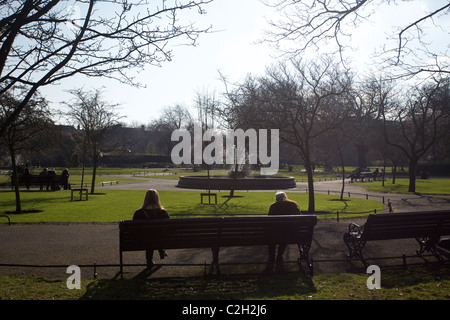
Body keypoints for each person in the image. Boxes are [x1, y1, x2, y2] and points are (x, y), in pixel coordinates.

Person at [133, 189, 170, 268]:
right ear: (157, 198)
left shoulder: (138, 213)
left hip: (142, 240)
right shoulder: (163, 213)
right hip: (161, 240)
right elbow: (169, 228)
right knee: (155, 235)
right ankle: (161, 250)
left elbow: (134, 230)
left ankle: (149, 260)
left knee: (149, 236)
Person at [267, 192, 301, 270]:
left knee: (272, 235)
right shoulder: (294, 204)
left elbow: (269, 220)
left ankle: (272, 256)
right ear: (286, 197)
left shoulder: (273, 206)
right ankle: (279, 255)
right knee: (285, 234)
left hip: (275, 234)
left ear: (276, 199)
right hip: (291, 234)